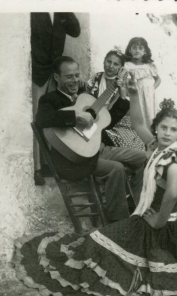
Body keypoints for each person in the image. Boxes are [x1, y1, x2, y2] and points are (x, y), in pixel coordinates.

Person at [14, 100, 177, 296]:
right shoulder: (159, 148)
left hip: (159, 227)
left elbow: (172, 194)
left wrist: (158, 221)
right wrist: (131, 93)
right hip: (144, 219)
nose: (167, 133)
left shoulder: (174, 160)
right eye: (163, 128)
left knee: (102, 250)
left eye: (174, 130)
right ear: (157, 128)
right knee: (95, 241)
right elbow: (139, 123)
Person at [35, 56, 146, 223]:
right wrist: (75, 116)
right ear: (57, 77)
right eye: (69, 76)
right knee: (116, 168)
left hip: (97, 150)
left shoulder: (84, 97)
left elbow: (107, 122)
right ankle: (118, 222)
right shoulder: (50, 99)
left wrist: (122, 96)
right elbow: (42, 119)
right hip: (73, 160)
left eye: (77, 75)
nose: (74, 80)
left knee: (143, 158)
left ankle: (137, 210)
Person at [31, 12, 81, 185]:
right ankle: (37, 167)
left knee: (60, 115)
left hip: (57, 73)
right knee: (38, 117)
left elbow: (75, 31)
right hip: (39, 72)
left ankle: (53, 164)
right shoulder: (34, 9)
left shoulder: (62, 10)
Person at [86, 49, 145, 150]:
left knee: (126, 144)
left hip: (115, 120)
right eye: (109, 61)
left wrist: (121, 89)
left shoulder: (123, 84)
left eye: (115, 64)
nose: (111, 66)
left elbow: (119, 109)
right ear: (104, 61)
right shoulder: (97, 76)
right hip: (95, 114)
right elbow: (87, 97)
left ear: (121, 68)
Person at [124, 37, 160, 145]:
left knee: (150, 115)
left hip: (150, 96)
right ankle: (140, 141)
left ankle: (151, 140)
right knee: (140, 117)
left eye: (140, 48)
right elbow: (125, 82)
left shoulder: (149, 66)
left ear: (145, 51)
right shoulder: (128, 66)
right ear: (130, 50)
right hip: (137, 95)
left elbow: (158, 79)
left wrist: (152, 89)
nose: (137, 50)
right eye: (134, 47)